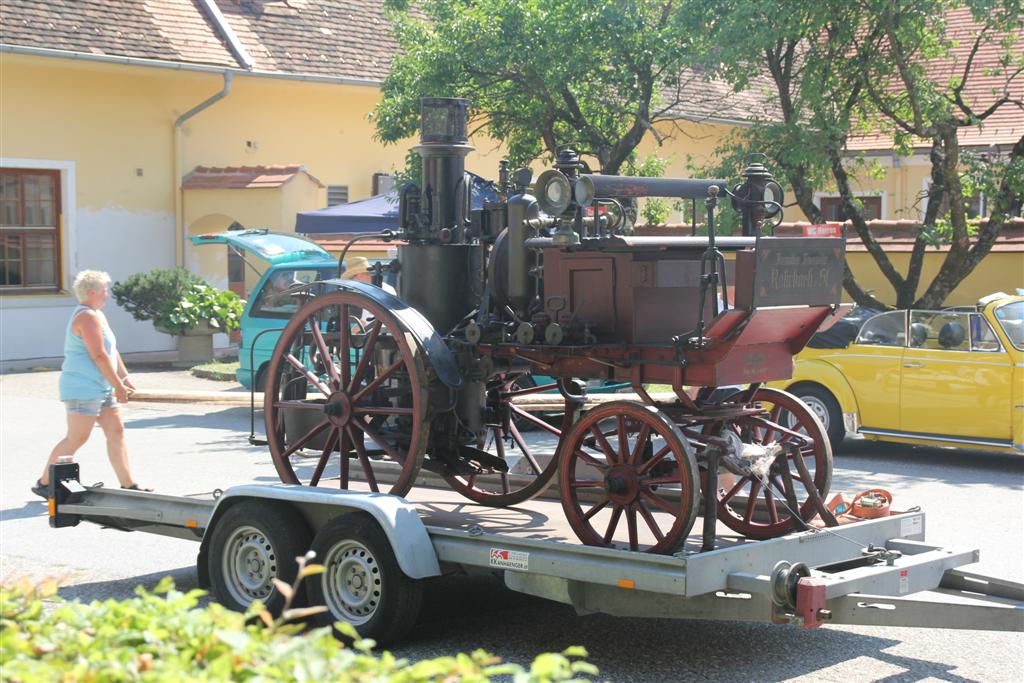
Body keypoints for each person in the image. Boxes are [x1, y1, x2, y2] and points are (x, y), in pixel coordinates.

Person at [32, 270, 148, 498]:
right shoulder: (86, 317)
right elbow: (99, 355)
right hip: (82, 388)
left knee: (116, 431)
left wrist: (124, 379)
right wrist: (118, 386)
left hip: (102, 386)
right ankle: (44, 482)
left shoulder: (98, 314)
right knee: (77, 437)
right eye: (105, 290)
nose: (107, 295)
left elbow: (112, 351)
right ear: (92, 291)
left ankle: (129, 484)